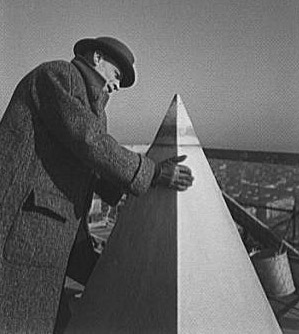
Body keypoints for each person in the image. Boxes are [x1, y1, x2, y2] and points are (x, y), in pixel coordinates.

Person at [0, 36, 194, 334]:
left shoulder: (93, 111)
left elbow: (89, 164)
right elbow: (87, 140)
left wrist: (138, 184)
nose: (117, 86)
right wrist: (151, 173)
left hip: (48, 235)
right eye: (117, 75)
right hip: (21, 230)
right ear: (96, 58)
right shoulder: (58, 75)